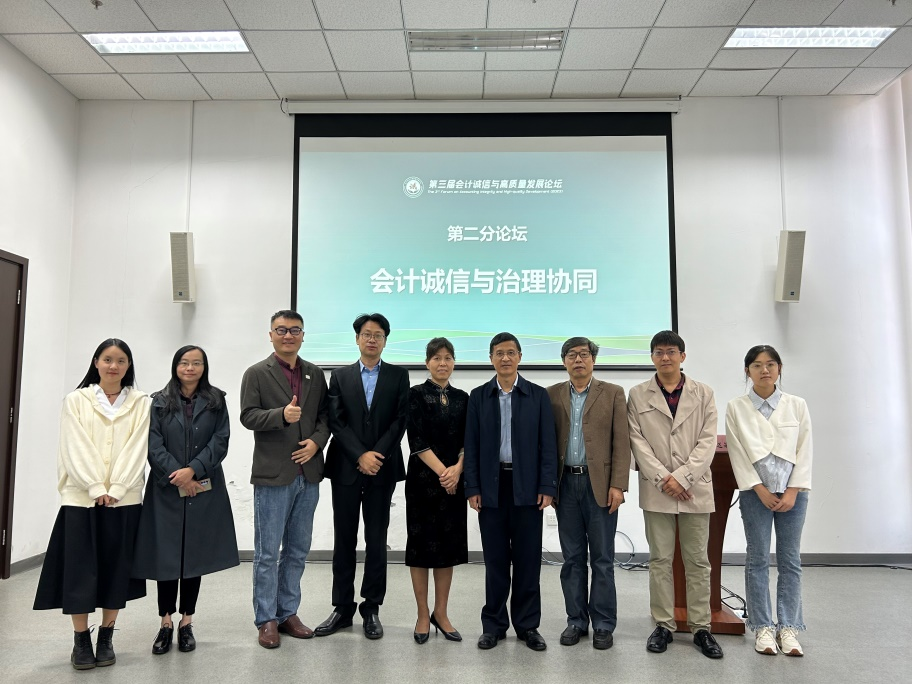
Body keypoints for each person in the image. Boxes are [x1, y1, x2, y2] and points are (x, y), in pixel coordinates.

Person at [34, 339, 151, 670]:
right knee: (79, 570)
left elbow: (137, 447)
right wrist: (96, 486)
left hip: (124, 500)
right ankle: (81, 640)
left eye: (121, 360)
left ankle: (107, 637)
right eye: (107, 359)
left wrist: (117, 487)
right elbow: (74, 446)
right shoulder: (76, 400)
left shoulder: (142, 402)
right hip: (81, 498)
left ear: (129, 366)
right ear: (96, 362)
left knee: (117, 569)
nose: (114, 366)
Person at [132, 345, 239, 654]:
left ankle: (186, 622)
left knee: (194, 557)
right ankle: (165, 622)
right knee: (166, 558)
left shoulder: (216, 400)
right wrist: (177, 475)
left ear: (204, 367)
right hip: (166, 488)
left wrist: (193, 470)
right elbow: (153, 444)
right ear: (175, 366)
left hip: (202, 486)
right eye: (184, 362)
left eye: (196, 363)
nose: (190, 368)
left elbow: (220, 441)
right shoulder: (159, 401)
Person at [627, 330, 723, 659]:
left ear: (682, 356)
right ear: (652, 357)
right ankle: (663, 625)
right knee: (659, 560)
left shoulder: (704, 393)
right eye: (658, 352)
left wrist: (682, 478)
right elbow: (637, 441)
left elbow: (708, 441)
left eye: (671, 351)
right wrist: (663, 479)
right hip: (657, 490)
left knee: (697, 561)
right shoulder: (638, 395)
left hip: (694, 488)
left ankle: (701, 628)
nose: (665, 357)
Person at [315, 313, 409, 640]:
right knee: (344, 539)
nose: (372, 339)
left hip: (382, 468)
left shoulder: (398, 376)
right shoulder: (340, 376)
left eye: (378, 335)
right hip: (346, 468)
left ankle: (371, 608)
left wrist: (375, 456)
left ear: (385, 341)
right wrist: (360, 455)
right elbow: (336, 420)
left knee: (376, 540)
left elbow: (400, 421)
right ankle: (342, 608)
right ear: (357, 339)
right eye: (366, 334)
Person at [240, 310, 330, 649]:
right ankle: (266, 619)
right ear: (271, 335)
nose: (288, 335)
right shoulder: (256, 373)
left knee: (297, 550)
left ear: (303, 335)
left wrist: (316, 443)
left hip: (309, 473)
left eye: (294, 330)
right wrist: (281, 415)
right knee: (267, 553)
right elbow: (248, 416)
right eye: (281, 330)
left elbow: (325, 417)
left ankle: (288, 612)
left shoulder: (315, 373)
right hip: (273, 475)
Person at [464, 332, 558, 652]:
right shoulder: (479, 396)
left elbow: (548, 445)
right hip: (491, 487)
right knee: (495, 561)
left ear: (520, 357)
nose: (505, 358)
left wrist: (547, 486)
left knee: (528, 561)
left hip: (528, 488)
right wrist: (472, 487)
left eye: (511, 352)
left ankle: (528, 626)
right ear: (491, 358)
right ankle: (493, 625)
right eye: (499, 353)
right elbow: (471, 446)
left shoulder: (537, 395)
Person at [725, 345, 812, 657]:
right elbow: (737, 451)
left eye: (771, 364)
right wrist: (758, 488)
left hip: (793, 494)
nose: (764, 370)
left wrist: (793, 491)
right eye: (757, 365)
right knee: (757, 558)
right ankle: (762, 626)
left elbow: (805, 449)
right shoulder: (736, 407)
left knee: (790, 560)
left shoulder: (796, 405)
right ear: (747, 371)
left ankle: (788, 627)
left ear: (779, 368)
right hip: (755, 493)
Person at [547, 337, 630, 650]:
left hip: (601, 486)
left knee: (603, 559)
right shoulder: (551, 394)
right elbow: (545, 442)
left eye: (584, 354)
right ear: (564, 361)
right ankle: (576, 621)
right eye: (572, 355)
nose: (578, 360)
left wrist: (618, 485)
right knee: (572, 559)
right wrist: (547, 486)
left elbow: (622, 442)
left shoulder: (612, 393)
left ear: (593, 360)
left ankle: (604, 624)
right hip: (565, 484)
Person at [405, 337, 468, 644]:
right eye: (437, 358)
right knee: (420, 549)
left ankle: (440, 613)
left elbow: (469, 439)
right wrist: (445, 472)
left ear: (454, 362)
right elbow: (415, 439)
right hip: (422, 481)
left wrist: (458, 469)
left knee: (447, 549)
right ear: (427, 362)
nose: (443, 363)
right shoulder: (415, 394)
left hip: (454, 483)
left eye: (448, 358)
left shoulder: (463, 398)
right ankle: (422, 614)